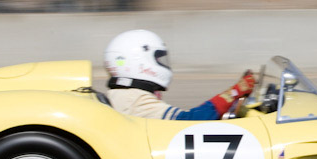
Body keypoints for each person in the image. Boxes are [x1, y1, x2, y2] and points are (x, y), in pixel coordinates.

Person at [103, 29, 255, 120]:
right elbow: (190, 121)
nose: (161, 63)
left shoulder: (123, 94)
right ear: (138, 61)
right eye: (157, 58)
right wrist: (235, 92)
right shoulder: (133, 99)